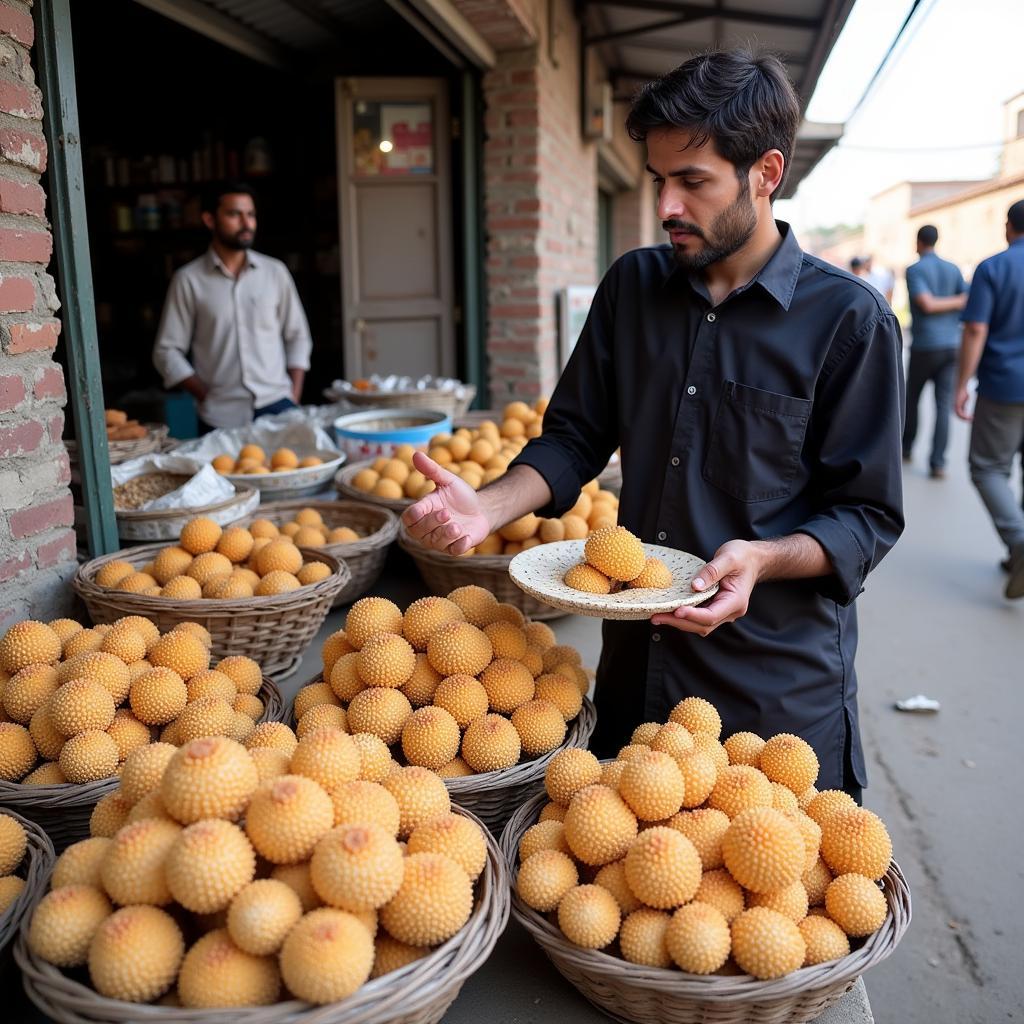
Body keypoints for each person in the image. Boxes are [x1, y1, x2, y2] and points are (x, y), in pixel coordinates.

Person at [403, 50, 905, 798]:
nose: (668, 205)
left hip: (771, 694)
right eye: (659, 181)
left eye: (692, 181)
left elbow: (866, 518)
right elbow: (574, 436)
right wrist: (493, 504)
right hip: (637, 675)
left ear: (765, 174)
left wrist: (761, 560)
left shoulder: (849, 321)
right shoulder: (632, 287)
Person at [152, 182, 312, 431]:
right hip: (219, 415)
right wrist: (204, 394)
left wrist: (294, 394)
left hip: (279, 406)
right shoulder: (189, 279)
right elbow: (166, 350)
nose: (246, 223)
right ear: (209, 220)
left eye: (250, 214)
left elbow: (298, 336)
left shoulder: (274, 272)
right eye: (234, 214)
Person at [955, 199, 1024, 599]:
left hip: (1005, 384)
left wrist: (963, 382)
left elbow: (975, 329)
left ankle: (1018, 541)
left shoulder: (994, 267)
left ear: (1008, 226)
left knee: (988, 467)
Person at [903, 225, 968, 478]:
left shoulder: (915, 270)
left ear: (918, 242)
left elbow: (926, 304)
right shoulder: (953, 269)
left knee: (913, 399)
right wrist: (957, 302)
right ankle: (938, 463)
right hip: (951, 345)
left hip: (925, 346)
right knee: (943, 406)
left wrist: (940, 303)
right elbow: (965, 299)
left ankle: (907, 448)